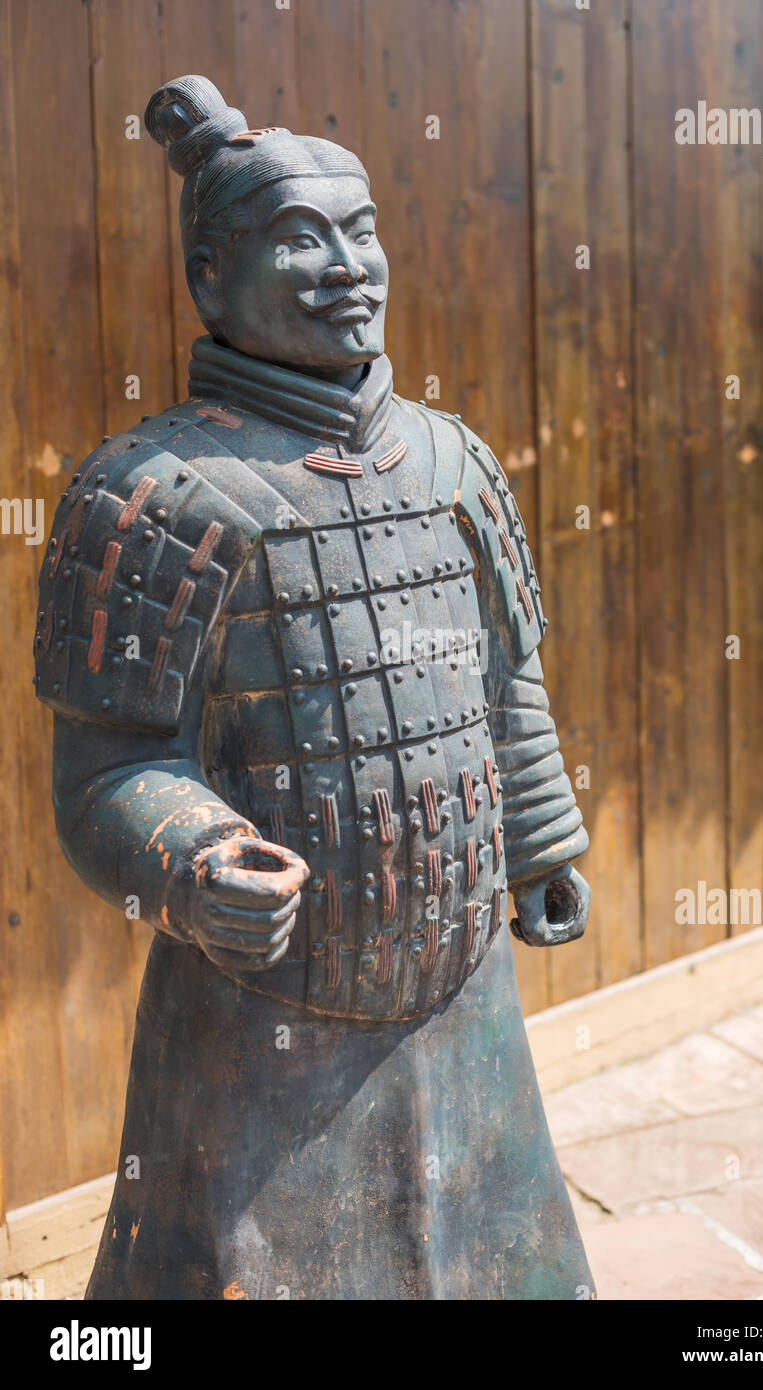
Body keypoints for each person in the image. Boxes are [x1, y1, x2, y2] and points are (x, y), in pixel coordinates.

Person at [33, 75, 594, 1300]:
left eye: (362, 229)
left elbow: (504, 679)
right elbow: (109, 768)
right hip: (255, 1015)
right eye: (301, 237)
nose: (349, 266)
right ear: (210, 275)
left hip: (458, 986)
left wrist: (543, 842)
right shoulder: (153, 492)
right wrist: (195, 862)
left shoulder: (455, 458)